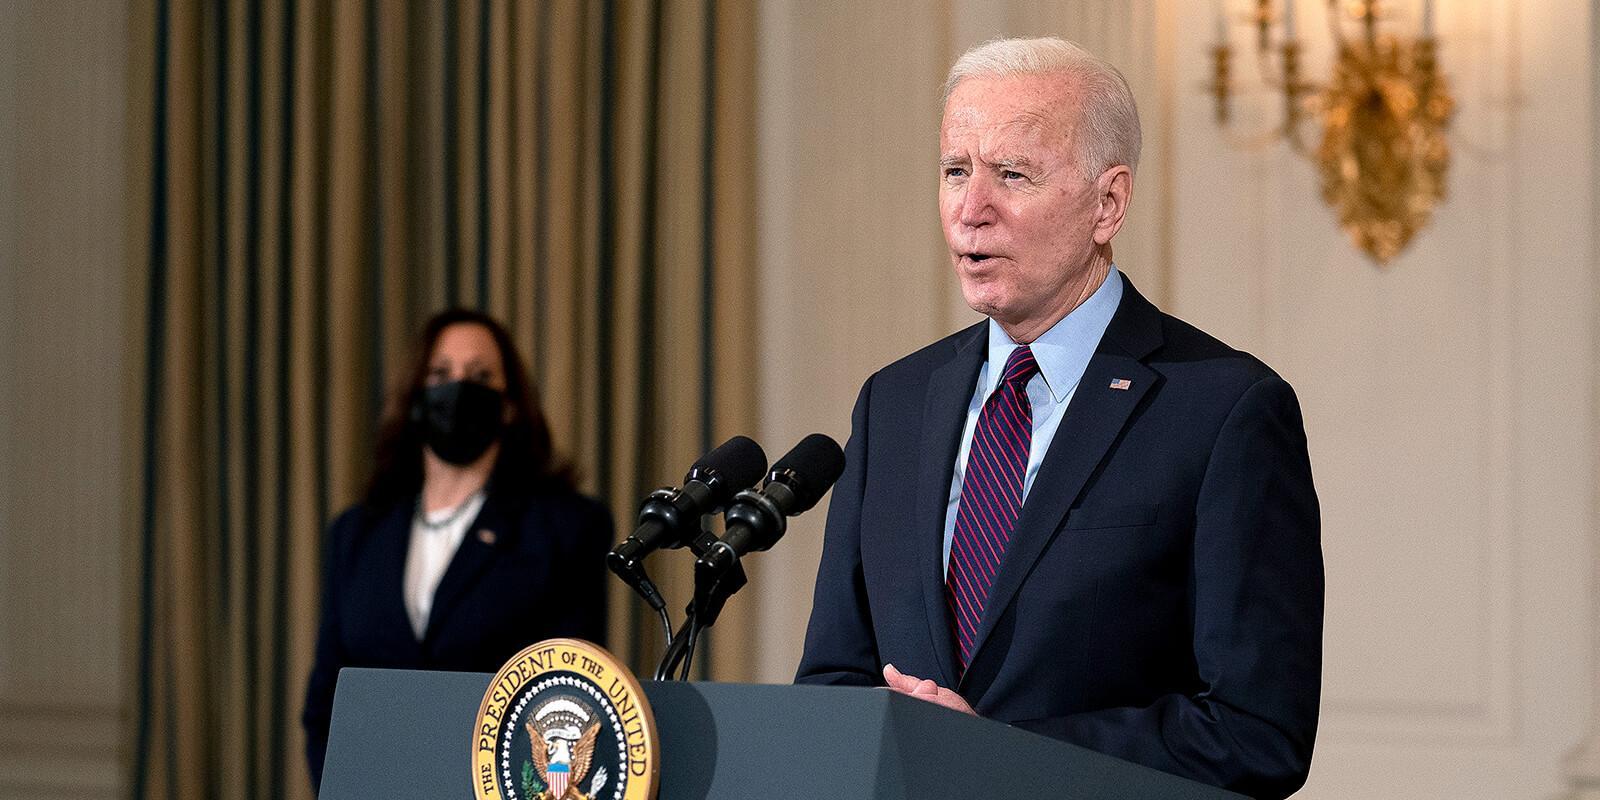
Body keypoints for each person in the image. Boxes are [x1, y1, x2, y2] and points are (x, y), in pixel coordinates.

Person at [795, 37, 1322, 799]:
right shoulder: (895, 403)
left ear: (1108, 203)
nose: (971, 211)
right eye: (955, 172)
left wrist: (999, 755)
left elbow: (1255, 730)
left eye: (1012, 175)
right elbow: (834, 681)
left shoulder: (1222, 410)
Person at [302, 309, 612, 790]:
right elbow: (326, 701)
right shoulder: (357, 534)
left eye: (481, 375)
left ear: (509, 405)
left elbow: (568, 694)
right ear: (416, 399)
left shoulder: (563, 527)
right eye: (441, 373)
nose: (459, 387)